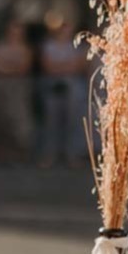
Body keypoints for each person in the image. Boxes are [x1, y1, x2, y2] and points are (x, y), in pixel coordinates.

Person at [38, 19, 89, 167]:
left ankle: (71, 155)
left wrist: (59, 67)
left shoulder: (78, 47)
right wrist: (66, 67)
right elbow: (47, 66)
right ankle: (49, 154)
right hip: (53, 87)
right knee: (51, 121)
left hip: (72, 88)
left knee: (73, 122)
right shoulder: (48, 46)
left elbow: (79, 66)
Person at [0, 19, 34, 163]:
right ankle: (1, 154)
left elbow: (24, 68)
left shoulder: (26, 48)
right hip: (1, 87)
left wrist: (7, 67)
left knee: (20, 119)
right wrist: (13, 67)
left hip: (20, 88)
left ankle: (20, 154)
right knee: (1, 118)